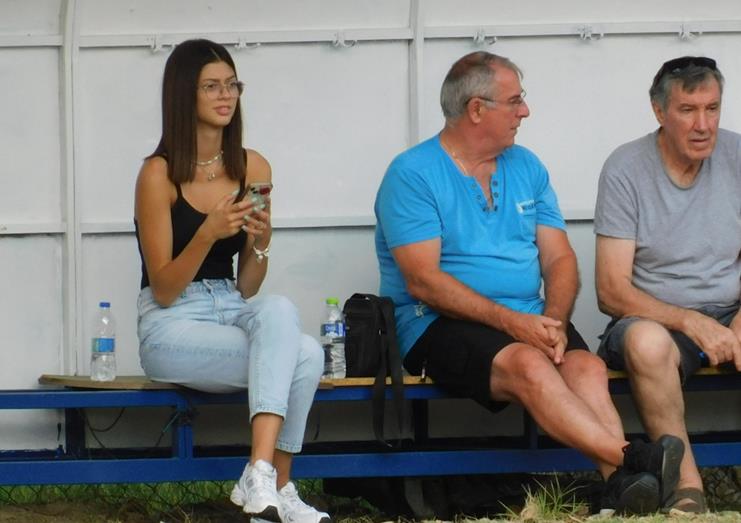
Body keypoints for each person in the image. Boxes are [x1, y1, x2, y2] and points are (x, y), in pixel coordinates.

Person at [374, 51, 684, 515]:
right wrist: (515, 324)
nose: (525, 111)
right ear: (476, 109)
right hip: (434, 322)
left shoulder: (527, 166)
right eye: (515, 101)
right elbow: (424, 282)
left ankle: (622, 488)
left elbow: (560, 258)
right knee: (529, 363)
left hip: (529, 317)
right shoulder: (412, 174)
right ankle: (633, 458)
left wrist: (553, 320)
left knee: (587, 368)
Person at [134, 39, 329, 523]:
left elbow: (247, 287)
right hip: (171, 323)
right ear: (184, 94)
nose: (226, 96)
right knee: (301, 355)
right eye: (211, 86)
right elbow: (164, 288)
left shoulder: (252, 166)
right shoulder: (158, 174)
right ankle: (270, 482)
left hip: (229, 305)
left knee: (289, 323)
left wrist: (261, 240)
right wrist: (208, 232)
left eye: (232, 85)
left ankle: (266, 481)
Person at [595, 55, 741, 514]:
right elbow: (611, 291)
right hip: (655, 317)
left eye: (712, 108)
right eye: (688, 110)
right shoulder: (625, 167)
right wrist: (691, 322)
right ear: (659, 111)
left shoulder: (739, 156)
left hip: (730, 310)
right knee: (648, 344)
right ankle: (686, 488)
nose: (703, 125)